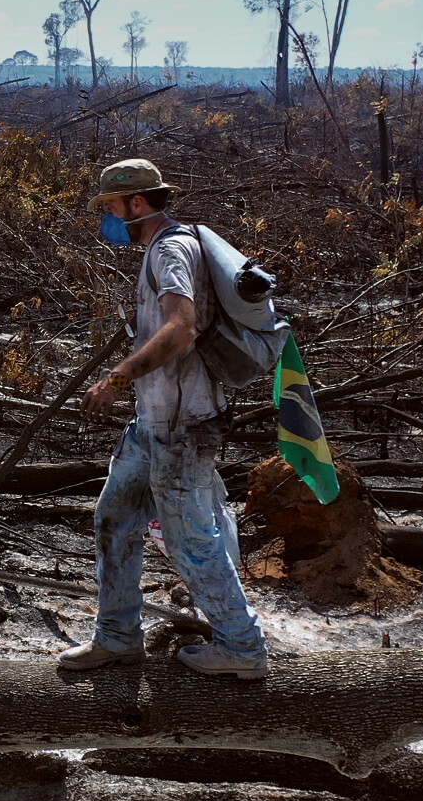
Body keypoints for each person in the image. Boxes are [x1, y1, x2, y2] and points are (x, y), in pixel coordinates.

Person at [57, 158, 270, 679]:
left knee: (189, 539)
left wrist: (119, 377)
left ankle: (243, 648)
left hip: (181, 424)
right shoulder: (163, 248)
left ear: (137, 203)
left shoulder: (171, 249)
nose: (106, 216)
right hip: (153, 421)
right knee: (115, 518)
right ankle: (118, 638)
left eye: (110, 206)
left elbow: (181, 329)